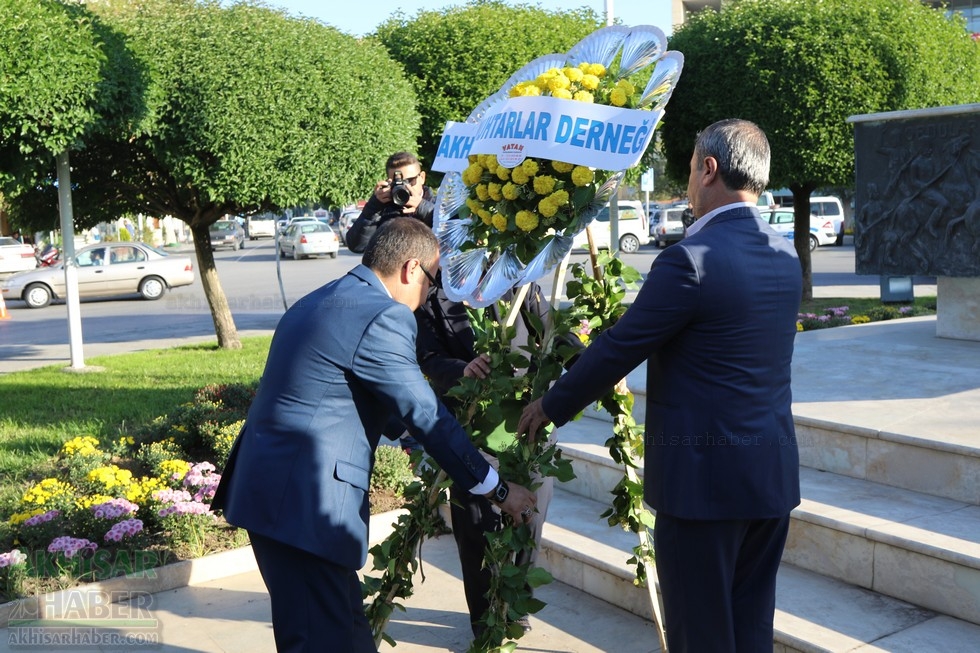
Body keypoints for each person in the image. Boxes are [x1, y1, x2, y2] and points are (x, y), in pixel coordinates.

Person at [518, 119, 802, 653]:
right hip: (769, 476)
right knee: (750, 628)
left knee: (701, 636)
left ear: (709, 169)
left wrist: (551, 406)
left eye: (692, 167)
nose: (689, 181)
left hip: (703, 486)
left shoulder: (690, 261)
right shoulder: (785, 255)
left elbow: (619, 347)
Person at [211, 218, 538, 653]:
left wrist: (415, 436)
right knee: (319, 642)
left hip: (275, 497)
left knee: (347, 635)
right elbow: (427, 416)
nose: (428, 295)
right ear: (410, 268)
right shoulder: (383, 315)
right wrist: (497, 491)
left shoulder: (323, 299)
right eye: (431, 280)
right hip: (304, 508)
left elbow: (355, 396)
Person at [414, 280, 580, 639]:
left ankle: (516, 607)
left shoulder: (519, 284)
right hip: (470, 432)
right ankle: (484, 621)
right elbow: (427, 359)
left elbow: (558, 333)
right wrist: (463, 368)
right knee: (476, 526)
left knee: (530, 517)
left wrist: (597, 367)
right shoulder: (432, 297)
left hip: (527, 426)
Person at [345, 151, 435, 253]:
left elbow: (451, 236)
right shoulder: (382, 208)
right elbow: (357, 246)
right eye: (397, 183)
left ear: (422, 177)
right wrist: (373, 207)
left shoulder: (438, 205)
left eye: (410, 181)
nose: (405, 187)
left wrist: (422, 207)